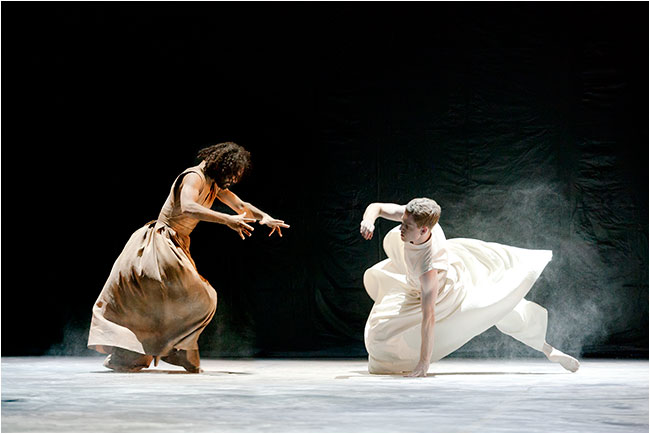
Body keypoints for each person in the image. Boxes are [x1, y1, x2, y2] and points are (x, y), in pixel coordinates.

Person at [88, 142, 289, 373]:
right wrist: (227, 220)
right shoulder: (194, 177)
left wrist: (265, 216)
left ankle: (157, 351)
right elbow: (188, 206)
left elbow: (241, 205)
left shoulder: (214, 184)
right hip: (159, 243)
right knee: (202, 296)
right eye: (232, 175)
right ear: (222, 166)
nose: (233, 181)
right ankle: (174, 349)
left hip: (177, 244)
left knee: (172, 301)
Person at [360, 198, 579, 377]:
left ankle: (547, 348)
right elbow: (376, 207)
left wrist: (423, 363)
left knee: (500, 307)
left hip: (446, 295)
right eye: (403, 222)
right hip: (437, 271)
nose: (401, 227)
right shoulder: (413, 219)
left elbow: (429, 319)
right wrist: (368, 221)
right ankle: (545, 346)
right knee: (379, 336)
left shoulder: (428, 270)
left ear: (424, 230)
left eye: (407, 226)